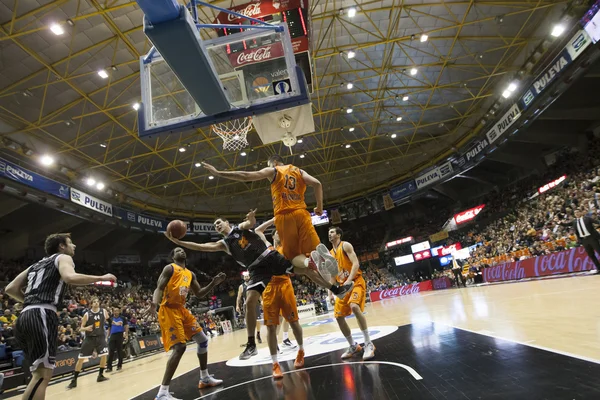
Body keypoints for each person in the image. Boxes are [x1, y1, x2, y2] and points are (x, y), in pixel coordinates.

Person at [165, 209, 352, 360]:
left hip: (269, 257)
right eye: (215, 225)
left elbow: (250, 224)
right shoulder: (224, 244)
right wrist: (178, 241)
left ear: (227, 223)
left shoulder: (239, 228)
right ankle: (251, 344)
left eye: (219, 222)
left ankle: (336, 289)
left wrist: (251, 219)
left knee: (306, 271)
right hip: (256, 269)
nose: (217, 225)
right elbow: (201, 246)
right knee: (249, 302)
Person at [5, 233, 116, 400]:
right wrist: (101, 278)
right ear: (61, 246)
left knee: (39, 374)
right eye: (71, 243)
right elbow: (69, 277)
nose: (75, 246)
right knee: (42, 375)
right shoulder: (63, 257)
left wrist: (30, 301)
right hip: (41, 314)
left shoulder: (36, 265)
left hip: (25, 315)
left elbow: (11, 288)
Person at [202, 156, 339, 278]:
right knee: (314, 247)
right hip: (302, 213)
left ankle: (308, 262)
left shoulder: (274, 171)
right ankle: (319, 256)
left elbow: (246, 176)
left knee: (292, 257)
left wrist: (218, 173)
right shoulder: (299, 171)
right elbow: (317, 184)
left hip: (284, 216)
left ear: (274, 163)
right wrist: (319, 207)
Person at [143, 247, 226, 400]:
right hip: (168, 310)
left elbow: (199, 293)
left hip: (181, 309)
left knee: (202, 340)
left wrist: (213, 283)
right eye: (176, 250)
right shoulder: (170, 268)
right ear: (173, 256)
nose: (180, 251)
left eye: (182, 250)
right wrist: (154, 304)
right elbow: (159, 288)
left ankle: (204, 378)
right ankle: (162, 393)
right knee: (180, 347)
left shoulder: (190, 274)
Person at [255, 219, 304, 378]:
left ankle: (301, 351)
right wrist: (274, 219)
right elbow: (258, 232)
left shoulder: (287, 249)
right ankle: (275, 364)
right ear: (274, 235)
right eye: (276, 232)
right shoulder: (268, 247)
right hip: (269, 287)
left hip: (284, 285)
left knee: (294, 321)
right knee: (270, 326)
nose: (278, 233)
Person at [325, 226, 375, 361]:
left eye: (332, 232)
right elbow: (332, 275)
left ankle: (368, 343)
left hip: (355, 282)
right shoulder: (329, 254)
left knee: (354, 306)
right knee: (338, 317)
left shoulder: (345, 245)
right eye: (328, 232)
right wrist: (330, 293)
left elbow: (356, 264)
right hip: (342, 287)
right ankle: (353, 345)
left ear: (339, 235)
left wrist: (348, 280)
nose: (329, 234)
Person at [67, 297, 110, 389]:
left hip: (100, 337)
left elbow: (108, 320)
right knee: (81, 359)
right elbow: (80, 328)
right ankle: (74, 380)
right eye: (94, 302)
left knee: (104, 355)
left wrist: (112, 326)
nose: (96, 303)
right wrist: (86, 328)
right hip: (89, 338)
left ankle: (100, 375)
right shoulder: (87, 314)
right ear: (91, 304)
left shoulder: (104, 311)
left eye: (97, 301)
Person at [236, 272, 262, 344]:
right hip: (246, 305)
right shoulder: (241, 287)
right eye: (245, 276)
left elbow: (258, 294)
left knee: (258, 320)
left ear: (249, 277)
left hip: (255, 303)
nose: (246, 277)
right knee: (249, 322)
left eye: (247, 276)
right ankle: (251, 337)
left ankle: (258, 334)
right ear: (243, 278)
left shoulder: (254, 284)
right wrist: (237, 305)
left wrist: (262, 301)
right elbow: (238, 297)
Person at [106, 306, 128, 372]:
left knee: (119, 351)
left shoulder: (122, 318)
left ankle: (119, 365)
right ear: (113, 312)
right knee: (111, 350)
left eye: (117, 311)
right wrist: (107, 336)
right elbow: (109, 328)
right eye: (115, 311)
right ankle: (109, 367)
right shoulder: (111, 319)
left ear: (119, 311)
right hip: (112, 335)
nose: (116, 312)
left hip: (120, 335)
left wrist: (126, 334)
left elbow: (126, 326)